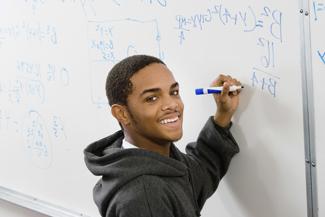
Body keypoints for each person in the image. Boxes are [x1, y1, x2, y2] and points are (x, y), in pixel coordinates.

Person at [84, 54, 241, 217]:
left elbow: (199, 175)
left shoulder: (155, 161)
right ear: (122, 114)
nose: (172, 104)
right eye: (152, 98)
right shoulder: (145, 197)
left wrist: (223, 115)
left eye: (174, 92)